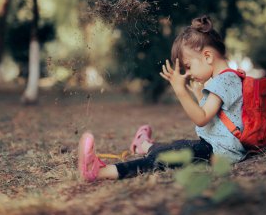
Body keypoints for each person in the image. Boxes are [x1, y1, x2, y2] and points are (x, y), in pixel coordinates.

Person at [78, 15, 246, 182]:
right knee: (174, 147)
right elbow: (216, 115)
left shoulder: (223, 80)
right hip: (214, 146)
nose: (188, 74)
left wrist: (180, 91)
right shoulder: (227, 78)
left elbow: (202, 119)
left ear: (208, 56)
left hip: (219, 152)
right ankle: (142, 144)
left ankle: (101, 171)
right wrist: (198, 93)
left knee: (162, 159)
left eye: (188, 67)